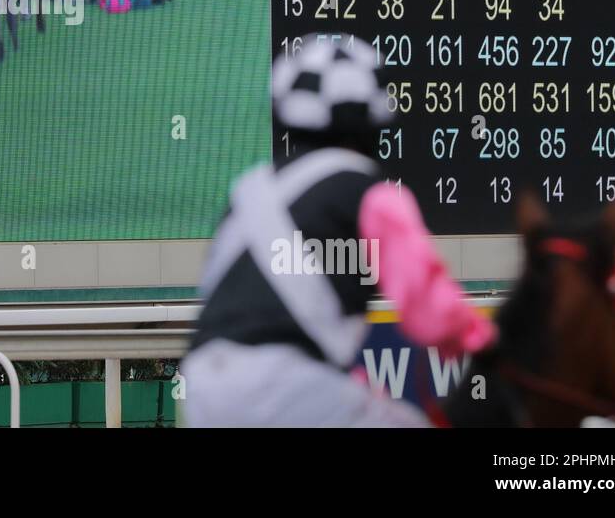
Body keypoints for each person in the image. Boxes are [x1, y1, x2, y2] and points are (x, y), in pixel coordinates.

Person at [183, 35, 495, 427]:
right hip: (284, 383)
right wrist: (487, 342)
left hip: (204, 383)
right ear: (375, 122)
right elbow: (427, 309)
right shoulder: (370, 192)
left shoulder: (247, 191)